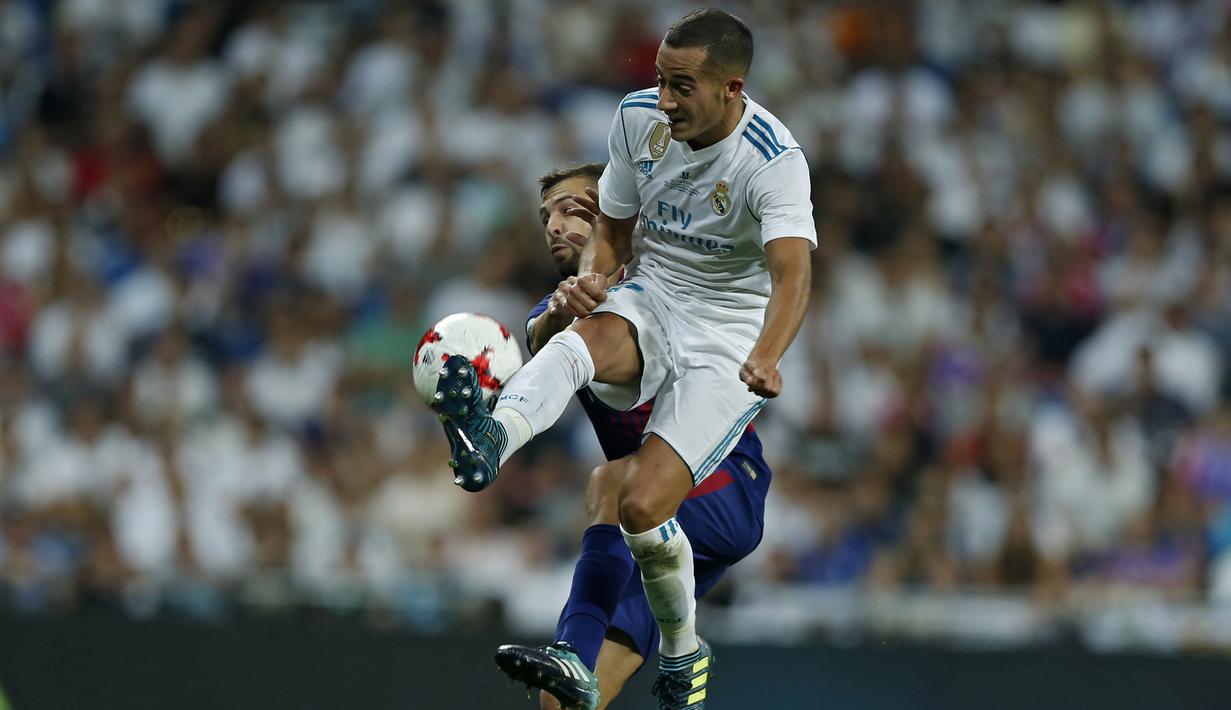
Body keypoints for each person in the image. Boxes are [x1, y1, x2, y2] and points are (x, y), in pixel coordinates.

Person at [433, 9, 814, 708]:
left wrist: (765, 355)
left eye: (682, 86)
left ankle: (680, 651)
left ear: (731, 88)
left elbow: (792, 274)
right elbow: (600, 252)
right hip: (655, 306)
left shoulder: (770, 161)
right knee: (562, 699)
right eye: (548, 216)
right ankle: (492, 436)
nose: (664, 100)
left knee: (626, 492)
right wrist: (596, 278)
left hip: (718, 452)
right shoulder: (564, 308)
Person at [493, 163, 773, 710]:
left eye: (572, 208)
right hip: (650, 529)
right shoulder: (557, 317)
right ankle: (668, 656)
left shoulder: (667, 290)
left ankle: (588, 649)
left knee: (611, 480)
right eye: (545, 217)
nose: (553, 225)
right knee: (562, 703)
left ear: (619, 211)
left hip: (721, 484)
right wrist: (555, 319)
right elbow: (543, 334)